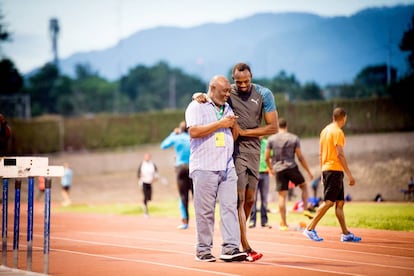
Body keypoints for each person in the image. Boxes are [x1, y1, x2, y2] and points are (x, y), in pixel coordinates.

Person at [193, 63, 278, 261]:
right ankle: (243, 245)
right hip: (235, 150)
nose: (242, 85)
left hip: (254, 150)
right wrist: (197, 94)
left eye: (246, 81)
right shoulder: (228, 91)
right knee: (237, 200)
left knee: (250, 200)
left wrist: (246, 132)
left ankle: (236, 237)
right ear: (233, 80)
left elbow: (273, 127)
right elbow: (210, 94)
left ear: (251, 77)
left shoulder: (264, 94)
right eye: (238, 82)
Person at [185, 75, 247, 263]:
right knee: (205, 212)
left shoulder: (227, 107)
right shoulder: (197, 106)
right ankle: (203, 250)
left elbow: (233, 134)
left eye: (229, 91)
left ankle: (230, 248)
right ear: (212, 88)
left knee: (229, 207)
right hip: (204, 167)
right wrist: (220, 124)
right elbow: (194, 132)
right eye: (224, 91)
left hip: (227, 166)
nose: (228, 94)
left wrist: (232, 124)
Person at [303, 107, 361, 242]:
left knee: (340, 203)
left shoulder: (325, 131)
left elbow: (320, 153)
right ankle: (310, 229)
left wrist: (323, 172)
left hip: (329, 170)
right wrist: (349, 174)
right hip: (334, 170)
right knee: (329, 202)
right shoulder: (338, 132)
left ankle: (345, 234)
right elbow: (340, 153)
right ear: (343, 118)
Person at [265, 118, 314, 231]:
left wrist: (270, 168)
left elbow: (267, 157)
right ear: (286, 126)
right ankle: (305, 208)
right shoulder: (293, 138)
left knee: (282, 196)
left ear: (278, 126)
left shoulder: (271, 139)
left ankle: (283, 224)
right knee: (304, 186)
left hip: (279, 169)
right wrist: (308, 171)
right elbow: (300, 157)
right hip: (291, 167)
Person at [160, 120, 193, 230]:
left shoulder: (176, 137)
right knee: (196, 195)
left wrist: (173, 134)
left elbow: (163, 145)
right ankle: (201, 221)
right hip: (192, 167)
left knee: (183, 196)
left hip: (180, 168)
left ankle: (185, 222)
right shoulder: (192, 137)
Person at [249, 136, 272, 229]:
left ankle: (264, 221)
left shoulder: (267, 143)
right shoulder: (251, 143)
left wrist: (270, 167)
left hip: (265, 173)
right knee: (253, 199)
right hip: (254, 173)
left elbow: (271, 157)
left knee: (264, 198)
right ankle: (252, 220)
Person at [137, 153, 158, 217]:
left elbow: (156, 173)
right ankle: (145, 211)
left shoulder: (152, 164)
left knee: (149, 197)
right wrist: (141, 177)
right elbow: (138, 173)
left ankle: (144, 205)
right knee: (145, 196)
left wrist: (154, 179)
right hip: (144, 182)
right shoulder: (142, 164)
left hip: (150, 182)